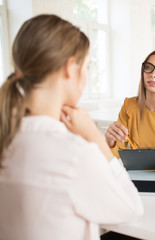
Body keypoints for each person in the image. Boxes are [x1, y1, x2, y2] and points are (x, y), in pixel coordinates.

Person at [0, 14, 143, 239]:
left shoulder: (8, 136)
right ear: (70, 68)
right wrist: (95, 138)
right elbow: (132, 209)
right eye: (87, 66)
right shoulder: (75, 153)